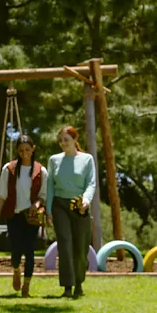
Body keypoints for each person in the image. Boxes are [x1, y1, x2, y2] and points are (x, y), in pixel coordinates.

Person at [0, 135, 48, 297]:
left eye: (28, 150)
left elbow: (43, 195)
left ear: (33, 149)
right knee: (16, 250)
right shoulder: (8, 169)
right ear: (17, 151)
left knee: (30, 251)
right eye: (21, 150)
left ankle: (26, 287)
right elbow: (1, 194)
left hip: (31, 216)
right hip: (14, 216)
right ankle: (16, 269)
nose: (24, 153)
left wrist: (36, 205)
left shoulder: (41, 171)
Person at [46, 125, 96, 299]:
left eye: (66, 140)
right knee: (65, 244)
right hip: (60, 205)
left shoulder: (87, 159)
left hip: (80, 205)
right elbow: (50, 186)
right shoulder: (54, 160)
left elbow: (91, 183)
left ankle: (79, 283)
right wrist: (49, 210)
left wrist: (86, 200)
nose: (62, 143)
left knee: (81, 248)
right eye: (60, 140)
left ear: (75, 140)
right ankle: (68, 286)